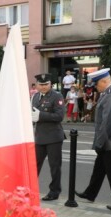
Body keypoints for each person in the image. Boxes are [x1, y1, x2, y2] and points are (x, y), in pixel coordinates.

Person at [75, 68, 111, 212]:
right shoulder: (108, 93)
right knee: (99, 169)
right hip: (107, 142)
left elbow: (107, 123)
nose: (95, 87)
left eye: (96, 84)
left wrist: (99, 143)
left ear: (104, 81)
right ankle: (90, 193)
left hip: (110, 142)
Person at [31, 73, 65, 201]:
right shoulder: (34, 96)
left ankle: (54, 191)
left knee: (54, 166)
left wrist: (41, 116)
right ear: (37, 85)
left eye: (46, 84)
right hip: (39, 137)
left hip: (53, 137)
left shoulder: (57, 96)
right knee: (34, 165)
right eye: (41, 84)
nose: (44, 87)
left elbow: (59, 116)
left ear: (51, 84)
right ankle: (30, 189)